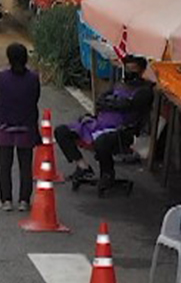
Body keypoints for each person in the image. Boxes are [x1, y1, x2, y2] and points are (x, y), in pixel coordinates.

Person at [55, 54, 156, 191]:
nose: (129, 72)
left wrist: (112, 103)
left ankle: (107, 173)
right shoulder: (119, 84)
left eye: (133, 69)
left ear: (141, 71)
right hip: (98, 124)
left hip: (121, 130)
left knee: (102, 141)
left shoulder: (144, 91)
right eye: (127, 68)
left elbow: (127, 105)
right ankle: (82, 166)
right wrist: (111, 103)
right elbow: (101, 100)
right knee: (61, 131)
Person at [0, 43, 42, 210]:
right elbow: (35, 98)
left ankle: (6, 200)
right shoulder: (33, 78)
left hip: (4, 125)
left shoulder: (1, 77)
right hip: (25, 125)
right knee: (25, 166)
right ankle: (24, 201)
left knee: (5, 165)